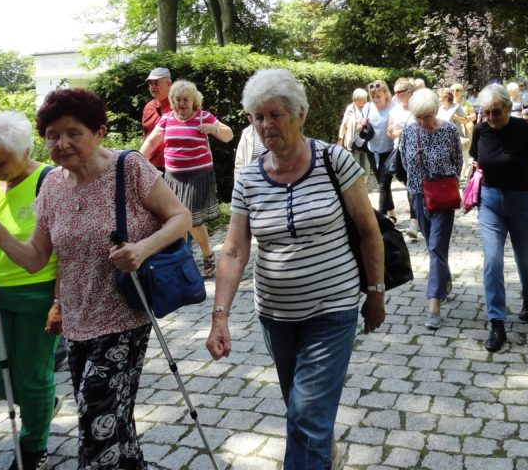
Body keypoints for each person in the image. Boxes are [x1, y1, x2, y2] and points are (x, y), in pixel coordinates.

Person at [0, 88, 191, 470]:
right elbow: (35, 259)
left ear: (99, 131)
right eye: (52, 136)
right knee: (114, 418)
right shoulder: (52, 186)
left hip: (124, 316)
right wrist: (1, 236)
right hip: (77, 322)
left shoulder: (128, 168)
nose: (62, 143)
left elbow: (181, 217)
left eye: (73, 132)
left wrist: (142, 249)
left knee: (95, 415)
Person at [206, 69, 385, 470]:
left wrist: (375, 292)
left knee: (305, 414)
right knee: (300, 407)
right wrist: (219, 317)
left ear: (300, 114)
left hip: (333, 308)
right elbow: (233, 251)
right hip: (275, 315)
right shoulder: (249, 178)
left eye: (275, 114)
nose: (266, 125)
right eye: (258, 117)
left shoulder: (334, 161)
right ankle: (326, 452)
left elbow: (368, 231)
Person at [0, 112, 59, 470]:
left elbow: (66, 248)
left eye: (0, 161)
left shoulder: (49, 181)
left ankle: (33, 446)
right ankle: (42, 408)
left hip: (37, 294)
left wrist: (60, 301)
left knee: (32, 375)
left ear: (26, 151)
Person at [470, 83, 528, 353]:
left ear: (508, 107)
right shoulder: (480, 130)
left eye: (496, 111)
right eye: (486, 112)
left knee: (527, 260)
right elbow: (476, 163)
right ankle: (497, 323)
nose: (491, 117)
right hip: (490, 203)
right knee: (492, 260)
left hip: (523, 201)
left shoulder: (525, 129)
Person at [139, 79, 233, 278]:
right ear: (173, 101)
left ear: (193, 101)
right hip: (173, 177)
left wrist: (213, 128)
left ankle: (201, 256)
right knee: (178, 219)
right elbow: (152, 142)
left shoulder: (202, 117)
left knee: (190, 219)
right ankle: (188, 260)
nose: (181, 104)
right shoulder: (167, 118)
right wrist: (136, 163)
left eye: (185, 100)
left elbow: (228, 136)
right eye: (178, 100)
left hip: (197, 177)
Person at [401, 88, 462, 330]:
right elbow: (405, 162)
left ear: (436, 111)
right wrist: (416, 189)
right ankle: (444, 280)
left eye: (427, 117)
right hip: (418, 195)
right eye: (419, 118)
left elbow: (458, 161)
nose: (423, 122)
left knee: (436, 246)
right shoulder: (409, 132)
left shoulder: (449, 130)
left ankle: (434, 303)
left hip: (443, 196)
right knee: (433, 246)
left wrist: (446, 182)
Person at [388, 77, 419, 241]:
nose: (397, 95)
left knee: (413, 186)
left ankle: (414, 221)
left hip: (418, 152)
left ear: (409, 92)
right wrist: (393, 132)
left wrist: (403, 131)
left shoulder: (418, 108)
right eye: (395, 92)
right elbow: (389, 132)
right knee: (409, 185)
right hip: (400, 151)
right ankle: (419, 212)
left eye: (400, 92)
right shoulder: (395, 110)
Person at [365, 79, 397, 220]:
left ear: (385, 94)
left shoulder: (394, 107)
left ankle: (381, 219)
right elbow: (361, 126)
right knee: (382, 184)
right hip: (372, 150)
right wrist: (362, 125)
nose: (375, 99)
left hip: (389, 151)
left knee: (384, 184)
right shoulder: (368, 107)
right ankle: (392, 214)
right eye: (373, 96)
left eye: (378, 96)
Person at [140, 67, 172, 171]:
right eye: (150, 83)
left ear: (169, 83)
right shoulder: (148, 107)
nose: (153, 86)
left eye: (157, 82)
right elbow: (146, 136)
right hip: (150, 166)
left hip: (173, 168)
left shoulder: (179, 106)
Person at [337, 87, 372, 178]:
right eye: (361, 100)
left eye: (365, 99)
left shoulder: (370, 107)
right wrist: (340, 138)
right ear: (355, 100)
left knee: (366, 167)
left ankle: (364, 183)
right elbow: (344, 124)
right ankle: (358, 183)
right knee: (355, 167)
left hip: (367, 142)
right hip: (353, 142)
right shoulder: (350, 109)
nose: (364, 101)